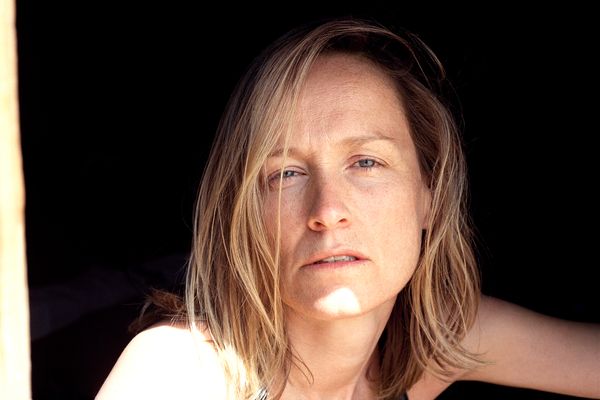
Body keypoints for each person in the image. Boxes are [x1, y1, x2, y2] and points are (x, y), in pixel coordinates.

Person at [96, 18, 600, 400]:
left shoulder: (432, 346)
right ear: (240, 214)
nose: (328, 210)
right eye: (285, 174)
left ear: (429, 196)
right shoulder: (183, 370)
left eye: (366, 162)